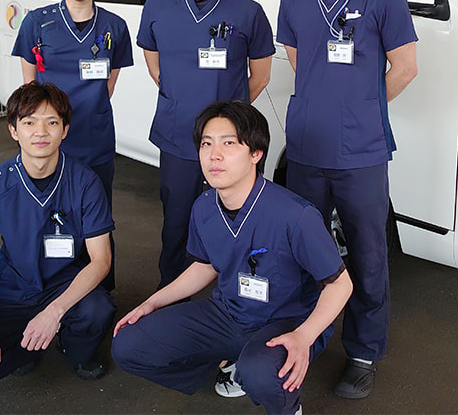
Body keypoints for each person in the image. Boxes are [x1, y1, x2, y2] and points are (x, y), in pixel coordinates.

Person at [111, 100, 352, 415]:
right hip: (227, 315)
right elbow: (205, 264)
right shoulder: (204, 206)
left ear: (256, 154)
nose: (214, 155)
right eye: (206, 144)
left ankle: (285, 405)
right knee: (128, 344)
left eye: (229, 143)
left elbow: (340, 285)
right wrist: (153, 302)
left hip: (286, 319)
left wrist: (304, 336)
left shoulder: (295, 215)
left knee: (262, 373)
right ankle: (231, 361)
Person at [276, 0, 418, 399]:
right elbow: (298, 60)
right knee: (302, 251)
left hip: (362, 153)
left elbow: (404, 68)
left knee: (367, 253)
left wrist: (361, 106)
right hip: (307, 148)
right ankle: (303, 343)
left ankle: (362, 353)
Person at [136, 0, 274, 290]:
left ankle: (233, 295)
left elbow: (260, 75)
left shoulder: (248, 12)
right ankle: (171, 297)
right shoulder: (158, 6)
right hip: (178, 136)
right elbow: (155, 64)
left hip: (231, 144)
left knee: (235, 219)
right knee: (176, 222)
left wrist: (231, 119)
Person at [0, 82, 116, 387]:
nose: (41, 132)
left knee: (98, 310)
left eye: (51, 122)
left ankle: (73, 347)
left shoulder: (85, 182)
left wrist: (54, 312)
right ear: (13, 130)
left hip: (64, 283)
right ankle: (27, 350)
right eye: (29, 123)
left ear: (64, 130)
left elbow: (101, 260)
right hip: (13, 288)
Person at [12, 0, 132, 290]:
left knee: (96, 217)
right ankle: (46, 288)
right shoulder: (37, 23)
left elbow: (107, 85)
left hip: (94, 137)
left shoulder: (114, 26)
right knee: (47, 214)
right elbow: (29, 92)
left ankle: (99, 290)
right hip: (48, 140)